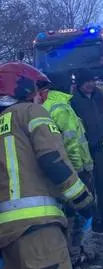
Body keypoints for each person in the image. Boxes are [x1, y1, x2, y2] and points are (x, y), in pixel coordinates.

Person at [0, 62, 94, 269]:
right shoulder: (31, 112)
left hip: (6, 237)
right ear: (22, 88)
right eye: (39, 90)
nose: (42, 97)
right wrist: (83, 200)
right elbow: (52, 160)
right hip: (39, 228)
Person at [39, 71, 95, 266]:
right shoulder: (61, 107)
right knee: (79, 213)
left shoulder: (44, 106)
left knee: (66, 214)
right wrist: (78, 172)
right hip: (75, 171)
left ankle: (69, 252)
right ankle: (74, 254)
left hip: (59, 171)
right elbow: (72, 143)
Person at [71, 69, 103, 236]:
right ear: (79, 84)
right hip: (86, 151)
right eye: (86, 82)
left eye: (92, 81)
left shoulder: (98, 95)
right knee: (90, 188)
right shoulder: (73, 101)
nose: (90, 84)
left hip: (101, 147)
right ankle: (96, 221)